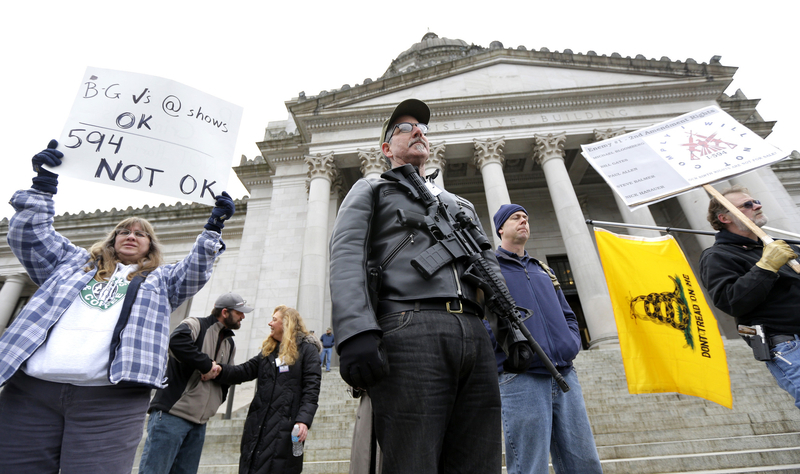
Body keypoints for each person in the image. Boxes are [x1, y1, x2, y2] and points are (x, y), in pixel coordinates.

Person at [0, 140, 234, 473]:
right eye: (123, 230)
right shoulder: (71, 263)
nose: (131, 235)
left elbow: (194, 271)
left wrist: (213, 228)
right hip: (31, 393)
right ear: (112, 239)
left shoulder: (161, 280)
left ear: (150, 246)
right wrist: (42, 187)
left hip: (109, 401)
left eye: (141, 233)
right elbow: (29, 236)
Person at [329, 98, 515, 473]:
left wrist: (509, 326)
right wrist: (355, 332)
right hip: (410, 328)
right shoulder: (372, 189)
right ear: (386, 149)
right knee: (412, 460)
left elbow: (488, 264)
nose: (418, 131)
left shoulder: (458, 203)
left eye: (423, 129)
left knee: (479, 461)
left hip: (473, 334)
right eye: (404, 128)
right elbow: (346, 255)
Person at [491, 204, 602, 474]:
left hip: (564, 374)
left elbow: (569, 315)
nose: (523, 222)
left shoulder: (543, 269)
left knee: (585, 463)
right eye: (516, 218)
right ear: (501, 228)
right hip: (520, 377)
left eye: (526, 218)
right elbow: (483, 319)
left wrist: (570, 343)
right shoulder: (490, 269)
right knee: (530, 466)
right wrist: (510, 350)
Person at [699, 185, 800, 407]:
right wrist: (766, 267)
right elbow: (730, 301)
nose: (757, 205)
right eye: (747, 205)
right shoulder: (717, 256)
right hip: (788, 345)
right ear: (725, 217)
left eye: (755, 201)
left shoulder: (785, 247)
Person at [138, 292, 254, 474]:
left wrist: (215, 376)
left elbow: (228, 376)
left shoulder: (230, 344)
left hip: (199, 423)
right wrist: (206, 365)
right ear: (225, 312)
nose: (243, 316)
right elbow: (176, 342)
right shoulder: (195, 324)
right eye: (239, 312)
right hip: (172, 415)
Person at [214, 305, 321, 474]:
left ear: (286, 323)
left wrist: (303, 421)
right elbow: (244, 371)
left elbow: (312, 389)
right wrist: (219, 369)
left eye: (274, 319)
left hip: (286, 428)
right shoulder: (268, 352)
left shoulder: (307, 350)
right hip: (257, 426)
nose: (270, 323)